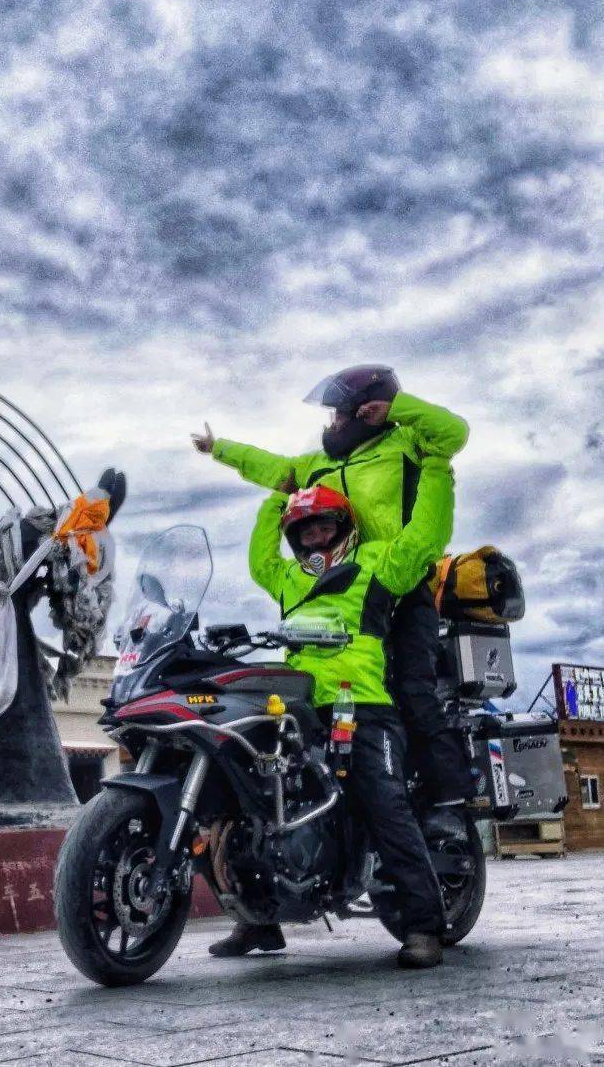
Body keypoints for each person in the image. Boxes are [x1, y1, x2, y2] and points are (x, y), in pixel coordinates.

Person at [191, 367, 474, 829]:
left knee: (411, 688)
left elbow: (454, 433)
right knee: (321, 696)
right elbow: (276, 472)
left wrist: (398, 410)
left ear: (366, 412)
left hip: (398, 582)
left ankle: (448, 799)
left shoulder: (406, 443)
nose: (332, 422)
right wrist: (220, 448)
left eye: (340, 414)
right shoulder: (317, 464)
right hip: (339, 588)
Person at [217, 463, 453, 968]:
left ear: (344, 527)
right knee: (252, 802)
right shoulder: (287, 578)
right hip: (296, 706)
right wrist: (278, 497)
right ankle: (259, 919)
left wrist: (437, 471)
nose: (315, 538)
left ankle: (423, 927)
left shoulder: (377, 562)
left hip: (362, 703)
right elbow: (260, 558)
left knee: (383, 802)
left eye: (324, 526)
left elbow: (424, 538)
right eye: (305, 531)